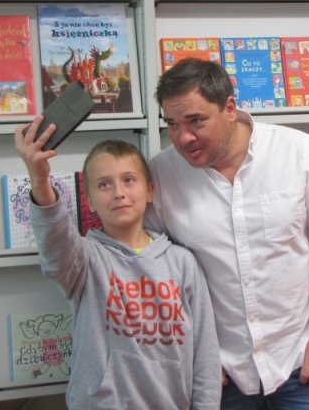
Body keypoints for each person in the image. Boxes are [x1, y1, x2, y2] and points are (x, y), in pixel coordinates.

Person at [146, 58, 309, 409]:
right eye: (172, 124)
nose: (184, 138)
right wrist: (190, 352)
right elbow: (152, 271)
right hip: (220, 374)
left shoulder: (297, 151)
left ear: (229, 108)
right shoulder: (162, 174)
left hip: (301, 362)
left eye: (196, 121)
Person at [14, 118, 221, 409]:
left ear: (149, 191)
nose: (119, 193)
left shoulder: (183, 263)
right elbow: (55, 242)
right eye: (104, 184)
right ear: (89, 201)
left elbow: (206, 357)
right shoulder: (83, 259)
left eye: (129, 180)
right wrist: (39, 180)